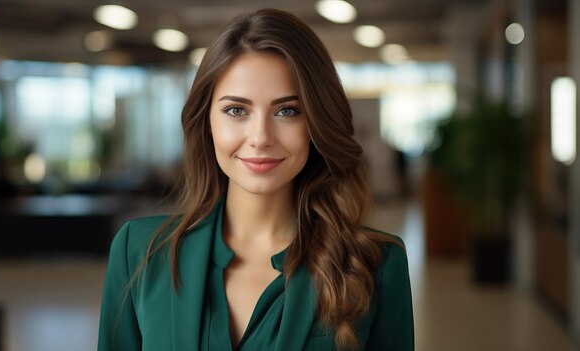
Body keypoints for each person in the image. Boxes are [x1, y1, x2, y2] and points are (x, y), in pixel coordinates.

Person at [98, 8, 414, 351]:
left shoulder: (377, 265)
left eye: (287, 111)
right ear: (207, 123)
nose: (260, 137)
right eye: (237, 110)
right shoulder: (139, 252)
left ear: (316, 123)